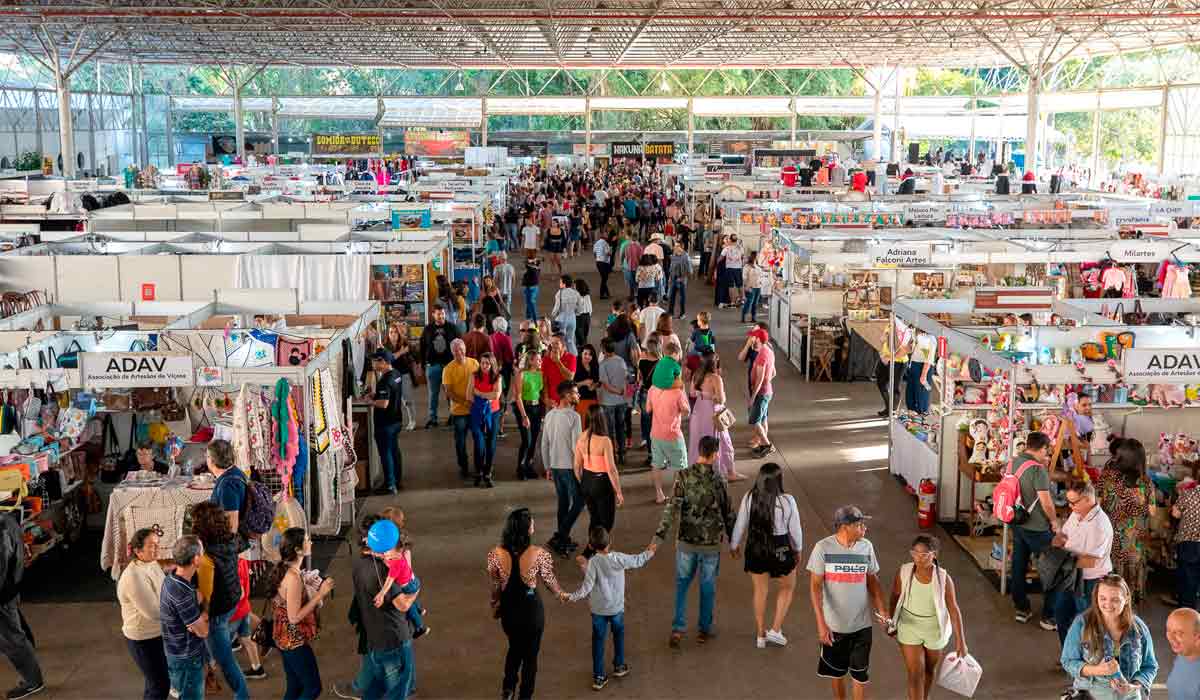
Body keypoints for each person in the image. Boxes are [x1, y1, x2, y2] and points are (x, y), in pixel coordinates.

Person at [652, 436, 734, 649]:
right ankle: (704, 629)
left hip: (686, 542)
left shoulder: (683, 476)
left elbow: (672, 508)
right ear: (715, 454)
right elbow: (728, 513)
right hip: (711, 544)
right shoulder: (719, 479)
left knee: (682, 584)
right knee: (707, 587)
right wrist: (734, 541)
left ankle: (678, 628)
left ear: (699, 451)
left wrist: (658, 537)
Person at [809, 505, 887, 700]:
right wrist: (821, 624)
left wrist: (882, 610)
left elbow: (873, 581)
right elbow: (815, 587)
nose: (865, 529)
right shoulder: (823, 548)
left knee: (860, 676)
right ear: (845, 527)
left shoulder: (866, 546)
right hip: (834, 627)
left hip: (862, 626)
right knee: (836, 674)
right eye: (860, 525)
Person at [564, 527, 655, 691]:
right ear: (610, 541)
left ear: (591, 546)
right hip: (616, 608)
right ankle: (619, 666)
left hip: (598, 611)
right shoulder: (619, 558)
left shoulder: (593, 563)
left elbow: (586, 588)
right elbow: (638, 560)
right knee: (618, 635)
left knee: (598, 641)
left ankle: (599, 676)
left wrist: (569, 596)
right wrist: (650, 550)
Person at [487, 508, 565, 700]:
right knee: (530, 657)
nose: (534, 525)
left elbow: (496, 585)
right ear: (527, 529)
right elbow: (549, 580)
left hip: (509, 610)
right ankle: (525, 696)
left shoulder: (495, 554)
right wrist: (560, 594)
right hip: (531, 611)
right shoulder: (539, 554)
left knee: (514, 648)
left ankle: (508, 689)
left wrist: (495, 602)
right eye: (531, 522)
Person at [729, 463, 803, 649]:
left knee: (760, 590)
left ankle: (760, 634)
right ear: (779, 481)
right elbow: (795, 530)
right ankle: (776, 630)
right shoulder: (787, 501)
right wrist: (797, 549)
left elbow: (740, 524)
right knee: (787, 587)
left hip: (756, 546)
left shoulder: (749, 497)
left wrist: (734, 545)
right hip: (780, 548)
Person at [888, 535, 969, 700]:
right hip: (909, 626)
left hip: (934, 628)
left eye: (924, 554)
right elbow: (895, 596)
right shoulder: (903, 572)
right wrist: (892, 621)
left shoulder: (943, 578)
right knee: (915, 673)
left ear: (934, 555)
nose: (919, 558)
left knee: (929, 670)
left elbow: (953, 609)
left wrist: (961, 641)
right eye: (915, 553)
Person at [1061, 574, 1158, 700]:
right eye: (1103, 598)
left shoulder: (1138, 628)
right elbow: (1068, 661)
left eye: (1115, 600)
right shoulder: (1081, 623)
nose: (1108, 604)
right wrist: (1097, 670)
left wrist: (1133, 686)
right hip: (1090, 696)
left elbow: (1150, 666)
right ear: (1096, 598)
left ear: (1127, 599)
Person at [352, 519, 419, 699]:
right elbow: (403, 604)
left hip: (374, 638)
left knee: (377, 686)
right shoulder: (382, 571)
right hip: (393, 639)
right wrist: (416, 589)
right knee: (397, 690)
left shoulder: (359, 562)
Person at [189, 502, 248, 700]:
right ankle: (210, 670)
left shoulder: (206, 557)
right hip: (232, 602)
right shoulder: (230, 540)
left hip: (217, 614)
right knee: (213, 648)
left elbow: (206, 595)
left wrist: (202, 615)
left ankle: (242, 695)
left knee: (227, 662)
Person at [269, 528, 333, 700]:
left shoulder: (286, 569)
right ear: (297, 550)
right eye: (306, 540)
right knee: (313, 688)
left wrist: (305, 583)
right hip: (293, 641)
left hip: (282, 637)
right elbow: (294, 617)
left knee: (295, 685)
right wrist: (321, 593)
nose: (310, 542)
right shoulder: (294, 577)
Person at [1053, 479, 1114, 647]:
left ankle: (1088, 662)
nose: (1070, 506)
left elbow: (1090, 561)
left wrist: (1060, 561)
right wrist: (1058, 539)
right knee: (1061, 614)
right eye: (1069, 502)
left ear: (1088, 499)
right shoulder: (1077, 513)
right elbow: (1064, 535)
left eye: (1073, 502)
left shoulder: (1099, 525)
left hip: (1090, 580)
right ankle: (1069, 656)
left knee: (1087, 624)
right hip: (1071, 576)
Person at [1010, 431, 1060, 628]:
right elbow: (1047, 503)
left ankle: (1022, 609)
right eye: (1047, 451)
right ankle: (1049, 616)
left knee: (1018, 566)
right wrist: (1055, 521)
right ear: (1042, 449)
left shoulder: (1014, 462)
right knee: (1054, 568)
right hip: (1037, 526)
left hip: (1018, 521)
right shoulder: (1037, 470)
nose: (1047, 455)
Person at [1098, 438, 1154, 603]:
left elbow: (1097, 504)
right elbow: (1152, 511)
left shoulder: (1106, 478)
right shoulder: (1146, 481)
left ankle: (1110, 597)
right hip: (1136, 538)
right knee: (1134, 564)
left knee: (1114, 564)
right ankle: (1130, 598)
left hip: (1112, 534)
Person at [119, 527, 169, 700]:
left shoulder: (151, 563)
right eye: (152, 546)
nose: (157, 549)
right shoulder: (133, 576)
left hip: (157, 633)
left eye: (158, 544)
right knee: (160, 685)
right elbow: (154, 612)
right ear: (137, 550)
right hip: (143, 639)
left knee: (156, 681)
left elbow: (163, 591)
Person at [160, 536, 210, 700]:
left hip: (175, 653)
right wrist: (203, 616)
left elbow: (198, 596)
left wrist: (196, 618)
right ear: (196, 559)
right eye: (202, 553)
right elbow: (203, 631)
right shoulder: (182, 594)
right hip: (187, 659)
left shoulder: (171, 578)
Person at [543, 381, 585, 557]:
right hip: (570, 467)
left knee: (563, 502)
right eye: (575, 393)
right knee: (580, 502)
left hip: (555, 466)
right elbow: (577, 447)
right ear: (567, 396)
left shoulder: (550, 415)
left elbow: (544, 443)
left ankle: (563, 537)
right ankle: (560, 536)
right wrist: (581, 469)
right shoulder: (574, 417)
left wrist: (547, 466)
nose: (578, 396)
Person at [688, 349, 741, 481]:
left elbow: (692, 394)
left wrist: (703, 394)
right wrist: (712, 395)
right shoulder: (716, 378)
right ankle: (730, 472)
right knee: (723, 441)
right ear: (713, 363)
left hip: (699, 411)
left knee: (698, 440)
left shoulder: (697, 375)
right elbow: (721, 399)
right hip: (713, 412)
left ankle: (699, 470)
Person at [575, 406, 624, 537]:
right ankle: (594, 552)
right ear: (602, 420)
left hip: (586, 480)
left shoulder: (581, 437)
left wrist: (584, 483)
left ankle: (590, 551)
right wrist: (618, 492)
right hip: (601, 483)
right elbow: (611, 469)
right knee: (607, 522)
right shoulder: (605, 441)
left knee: (594, 519)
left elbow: (576, 467)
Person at [646, 365, 691, 505]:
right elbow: (686, 411)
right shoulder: (678, 392)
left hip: (656, 434)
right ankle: (674, 494)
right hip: (673, 435)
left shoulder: (652, 389)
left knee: (657, 464)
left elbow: (648, 409)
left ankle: (659, 494)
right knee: (680, 465)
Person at [443, 339, 481, 481]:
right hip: (459, 412)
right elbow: (449, 392)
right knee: (460, 442)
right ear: (452, 352)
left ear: (465, 349)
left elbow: (480, 383)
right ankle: (463, 466)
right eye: (456, 350)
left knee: (479, 439)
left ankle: (479, 466)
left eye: (461, 349)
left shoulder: (474, 363)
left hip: (475, 410)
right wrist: (466, 403)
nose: (459, 352)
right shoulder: (448, 369)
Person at [419, 304, 459, 429]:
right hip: (433, 366)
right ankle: (432, 419)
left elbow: (459, 345)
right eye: (438, 313)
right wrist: (423, 364)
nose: (441, 316)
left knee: (451, 393)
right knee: (433, 394)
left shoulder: (452, 328)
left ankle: (453, 416)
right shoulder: (428, 329)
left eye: (442, 313)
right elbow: (422, 347)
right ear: (433, 315)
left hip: (449, 366)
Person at [468, 351, 504, 488]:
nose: (484, 365)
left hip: (493, 413)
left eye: (487, 363)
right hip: (477, 412)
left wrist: (480, 394)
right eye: (482, 363)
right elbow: (469, 394)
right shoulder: (474, 375)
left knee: (491, 443)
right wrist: (485, 397)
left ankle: (488, 472)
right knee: (479, 443)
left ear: (492, 364)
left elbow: (496, 395)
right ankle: (478, 472)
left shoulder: (497, 377)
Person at [596, 337, 629, 467]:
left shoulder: (603, 365)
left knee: (609, 430)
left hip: (608, 402)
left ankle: (612, 456)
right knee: (621, 428)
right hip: (621, 402)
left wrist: (617, 392)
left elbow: (606, 386)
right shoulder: (621, 361)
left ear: (604, 350)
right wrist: (622, 393)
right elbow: (626, 379)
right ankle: (622, 454)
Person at [514, 349, 546, 480]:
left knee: (533, 440)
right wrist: (524, 416)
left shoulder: (540, 374)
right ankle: (520, 468)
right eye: (538, 359)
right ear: (531, 360)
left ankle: (529, 466)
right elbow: (518, 396)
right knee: (526, 440)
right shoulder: (522, 374)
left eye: (540, 359)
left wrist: (543, 412)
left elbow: (541, 394)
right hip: (524, 408)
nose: (540, 362)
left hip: (537, 408)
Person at [747, 328, 777, 459]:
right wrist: (767, 382)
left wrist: (752, 397)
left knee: (755, 420)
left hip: (761, 393)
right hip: (767, 391)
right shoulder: (769, 351)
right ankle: (764, 446)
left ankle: (768, 445)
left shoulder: (762, 355)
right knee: (763, 418)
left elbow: (759, 379)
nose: (751, 339)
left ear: (758, 339)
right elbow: (774, 373)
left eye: (753, 337)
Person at [206, 439, 245, 534]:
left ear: (212, 460)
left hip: (231, 542)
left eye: (207, 456)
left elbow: (232, 528)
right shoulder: (235, 471)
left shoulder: (227, 485)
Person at [1167, 608, 1200, 700]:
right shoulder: (1183, 654)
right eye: (1169, 630)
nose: (1171, 637)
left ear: (1197, 637)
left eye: (1179, 633)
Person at [541, 335, 577, 407]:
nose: (553, 346)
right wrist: (546, 398)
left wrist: (558, 362)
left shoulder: (571, 358)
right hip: (552, 401)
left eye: (556, 343)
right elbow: (544, 381)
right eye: (552, 343)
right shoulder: (546, 359)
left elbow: (570, 378)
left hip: (567, 400)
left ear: (563, 345)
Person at [666, 242, 693, 319]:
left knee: (682, 298)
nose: (675, 247)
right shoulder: (674, 255)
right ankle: (670, 312)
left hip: (682, 280)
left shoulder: (686, 257)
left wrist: (682, 278)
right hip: (673, 278)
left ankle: (682, 313)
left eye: (677, 246)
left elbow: (690, 271)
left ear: (682, 247)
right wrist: (670, 278)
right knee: (671, 296)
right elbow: (671, 267)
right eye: (675, 246)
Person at [720, 235, 745, 308]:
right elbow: (743, 257)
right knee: (740, 285)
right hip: (738, 268)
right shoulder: (741, 248)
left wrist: (716, 264)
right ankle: (742, 301)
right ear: (736, 240)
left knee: (731, 286)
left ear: (730, 240)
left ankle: (733, 302)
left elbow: (721, 258)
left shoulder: (726, 248)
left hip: (729, 268)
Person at [740, 251, 763, 324]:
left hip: (758, 287)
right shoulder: (747, 267)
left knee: (755, 304)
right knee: (749, 303)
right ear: (755, 257)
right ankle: (744, 316)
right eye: (758, 256)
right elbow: (744, 278)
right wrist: (746, 287)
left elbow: (760, 276)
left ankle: (753, 317)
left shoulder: (758, 266)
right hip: (750, 287)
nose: (759, 257)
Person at [574, 278, 593, 352]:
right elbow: (590, 308)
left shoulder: (578, 297)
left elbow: (577, 309)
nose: (573, 287)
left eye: (575, 286)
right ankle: (584, 349)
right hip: (587, 317)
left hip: (580, 318)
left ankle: (582, 351)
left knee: (580, 337)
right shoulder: (587, 296)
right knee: (583, 337)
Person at [594, 233, 613, 300]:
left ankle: (607, 293)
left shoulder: (596, 243)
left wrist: (597, 259)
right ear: (604, 237)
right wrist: (611, 250)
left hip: (598, 262)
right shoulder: (605, 243)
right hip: (604, 263)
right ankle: (602, 295)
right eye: (607, 235)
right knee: (604, 279)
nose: (608, 236)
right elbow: (608, 253)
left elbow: (594, 253)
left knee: (604, 278)